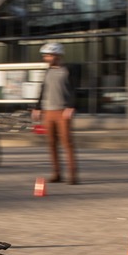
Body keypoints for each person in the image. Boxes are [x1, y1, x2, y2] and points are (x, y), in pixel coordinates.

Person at [32, 42, 77, 184]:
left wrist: (71, 106)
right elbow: (43, 90)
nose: (46, 58)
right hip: (48, 111)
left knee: (66, 143)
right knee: (51, 143)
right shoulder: (47, 71)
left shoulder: (68, 70)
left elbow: (74, 90)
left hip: (62, 111)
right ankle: (56, 174)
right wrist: (37, 108)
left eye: (49, 55)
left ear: (57, 55)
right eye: (45, 56)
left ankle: (72, 175)